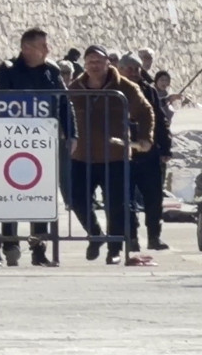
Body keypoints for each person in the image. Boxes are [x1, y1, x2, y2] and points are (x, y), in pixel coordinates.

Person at [0, 27, 77, 267]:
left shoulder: (51, 70)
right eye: (43, 46)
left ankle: (38, 249)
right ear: (26, 48)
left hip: (42, 143)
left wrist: (72, 133)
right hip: (12, 143)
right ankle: (10, 243)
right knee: (10, 193)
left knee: (41, 198)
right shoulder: (7, 70)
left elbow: (64, 104)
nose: (48, 50)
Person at [69, 45, 155, 264]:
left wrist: (146, 138)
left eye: (99, 61)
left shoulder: (124, 87)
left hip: (114, 155)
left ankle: (114, 249)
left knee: (116, 204)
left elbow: (145, 111)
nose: (94, 66)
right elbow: (62, 113)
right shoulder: (75, 88)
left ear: (108, 63)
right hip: (81, 156)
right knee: (77, 199)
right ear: (84, 65)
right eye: (90, 62)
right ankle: (95, 235)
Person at [118, 52, 172, 250]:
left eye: (137, 69)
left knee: (154, 197)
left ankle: (154, 236)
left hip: (148, 152)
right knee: (126, 198)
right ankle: (131, 237)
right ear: (120, 70)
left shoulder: (148, 90)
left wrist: (165, 146)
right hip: (123, 153)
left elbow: (160, 119)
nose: (133, 73)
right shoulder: (114, 88)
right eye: (129, 69)